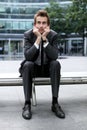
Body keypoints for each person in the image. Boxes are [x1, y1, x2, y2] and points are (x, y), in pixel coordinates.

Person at [20, 10, 65, 120]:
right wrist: (38, 39)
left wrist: (44, 39)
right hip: (32, 69)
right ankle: (27, 104)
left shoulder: (53, 35)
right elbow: (28, 56)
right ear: (34, 24)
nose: (41, 25)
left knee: (55, 64)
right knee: (27, 64)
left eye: (44, 23)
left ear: (48, 24)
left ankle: (55, 103)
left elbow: (54, 56)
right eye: (39, 22)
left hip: (47, 68)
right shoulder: (28, 35)